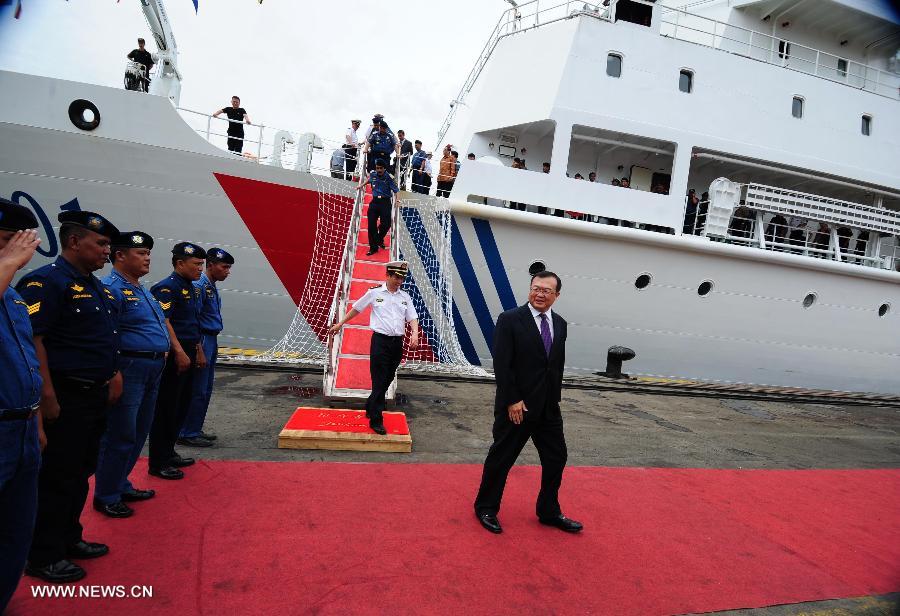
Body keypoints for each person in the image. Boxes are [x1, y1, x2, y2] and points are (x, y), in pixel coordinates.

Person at [17, 211, 123, 583]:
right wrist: (46, 394)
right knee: (57, 476)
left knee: (79, 473)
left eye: (109, 245)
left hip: (91, 397)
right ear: (75, 242)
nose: (107, 251)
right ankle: (43, 554)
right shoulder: (46, 283)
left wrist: (111, 374)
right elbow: (34, 339)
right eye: (101, 243)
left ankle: (69, 537)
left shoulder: (95, 286)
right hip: (64, 396)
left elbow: (103, 338)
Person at [474, 270, 581, 535]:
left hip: (548, 407)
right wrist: (512, 399)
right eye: (536, 288)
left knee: (557, 457)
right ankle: (486, 507)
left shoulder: (561, 324)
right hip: (517, 407)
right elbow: (502, 363)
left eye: (546, 290)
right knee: (502, 458)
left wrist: (554, 398)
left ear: (556, 295)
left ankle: (548, 511)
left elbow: (554, 365)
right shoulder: (510, 319)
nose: (539, 294)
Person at [92, 231, 169, 519]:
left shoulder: (141, 288)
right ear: (120, 256)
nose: (147, 257)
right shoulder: (111, 287)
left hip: (151, 368)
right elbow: (107, 335)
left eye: (148, 253)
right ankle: (107, 494)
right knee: (120, 434)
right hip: (130, 368)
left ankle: (121, 483)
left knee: (138, 431)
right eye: (141, 253)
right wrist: (114, 372)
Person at [0, 199, 43, 609]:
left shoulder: (12, 298)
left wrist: (37, 421)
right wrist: (8, 262)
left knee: (17, 527)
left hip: (23, 426)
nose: (14, 251)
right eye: (4, 242)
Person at [328, 261, 419, 435]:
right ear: (388, 276)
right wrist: (340, 323)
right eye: (396, 277)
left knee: (388, 377)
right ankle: (376, 419)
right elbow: (357, 309)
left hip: (396, 343)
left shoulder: (405, 297)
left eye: (402, 278)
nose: (399, 281)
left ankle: (370, 404)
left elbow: (412, 317)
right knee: (379, 379)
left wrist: (414, 333)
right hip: (380, 342)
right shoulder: (374, 292)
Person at [148, 242, 207, 481]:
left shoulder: (191, 288)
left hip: (190, 351)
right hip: (175, 356)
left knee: (182, 405)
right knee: (167, 408)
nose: (200, 269)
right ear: (180, 263)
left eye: (202, 264)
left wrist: (198, 351)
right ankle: (158, 461)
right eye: (196, 264)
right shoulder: (165, 288)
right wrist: (180, 352)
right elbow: (165, 321)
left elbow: (193, 324)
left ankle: (169, 451)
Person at [178, 248, 234, 448]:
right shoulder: (200, 286)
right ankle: (187, 431)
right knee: (197, 388)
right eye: (224, 267)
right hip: (202, 339)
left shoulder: (210, 285)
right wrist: (199, 348)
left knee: (206, 388)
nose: (228, 271)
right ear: (211, 265)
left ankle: (194, 427)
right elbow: (193, 319)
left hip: (211, 339)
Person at [358, 160, 399, 256]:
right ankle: (373, 248)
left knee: (386, 224)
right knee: (371, 225)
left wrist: (397, 200)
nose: (379, 170)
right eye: (377, 168)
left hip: (385, 202)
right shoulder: (373, 174)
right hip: (375, 202)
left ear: (384, 168)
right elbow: (369, 180)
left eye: (381, 168)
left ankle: (379, 239)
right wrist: (361, 185)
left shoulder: (389, 177)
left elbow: (396, 190)